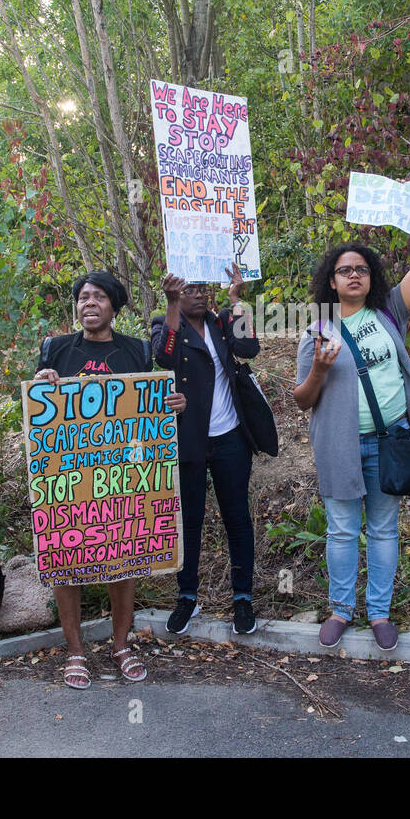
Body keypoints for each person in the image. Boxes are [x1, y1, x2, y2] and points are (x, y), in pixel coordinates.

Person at [33, 271, 185, 689]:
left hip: (124, 472)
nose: (89, 303)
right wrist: (42, 385)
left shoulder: (136, 351)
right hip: (67, 474)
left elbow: (150, 403)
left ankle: (120, 644)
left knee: (123, 555)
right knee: (67, 562)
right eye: (83, 297)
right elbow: (32, 411)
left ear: (113, 308)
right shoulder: (55, 349)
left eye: (99, 297)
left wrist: (172, 403)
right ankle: (76, 650)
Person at [293, 237, 410, 651]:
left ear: (372, 278)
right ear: (331, 282)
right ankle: (340, 610)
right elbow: (303, 400)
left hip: (389, 442)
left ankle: (379, 613)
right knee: (341, 531)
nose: (354, 275)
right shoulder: (317, 330)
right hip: (341, 446)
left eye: (362, 269)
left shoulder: (389, 311)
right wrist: (319, 369)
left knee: (384, 529)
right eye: (345, 271)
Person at [152, 265, 262, 637]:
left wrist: (236, 300)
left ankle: (243, 598)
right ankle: (187, 597)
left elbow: (249, 347)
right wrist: (170, 305)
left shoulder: (222, 320)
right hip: (189, 439)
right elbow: (163, 356)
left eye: (203, 288)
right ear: (176, 294)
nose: (199, 294)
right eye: (190, 289)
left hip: (231, 436)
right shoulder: (165, 322)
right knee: (191, 521)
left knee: (237, 518)